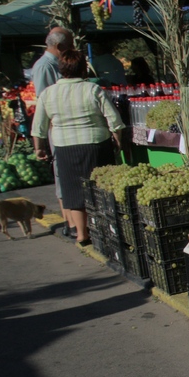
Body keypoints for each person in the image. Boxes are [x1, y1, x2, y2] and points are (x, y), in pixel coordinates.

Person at [31, 49, 124, 247]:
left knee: (73, 190)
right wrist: (117, 141)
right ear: (83, 69)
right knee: (101, 189)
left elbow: (38, 126)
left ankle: (82, 234)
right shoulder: (92, 89)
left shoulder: (48, 93)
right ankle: (106, 231)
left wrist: (39, 148)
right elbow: (113, 119)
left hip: (65, 147)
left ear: (61, 69)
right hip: (96, 146)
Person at [31, 27, 74, 236]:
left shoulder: (54, 64)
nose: (73, 48)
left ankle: (73, 221)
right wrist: (43, 140)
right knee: (62, 176)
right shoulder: (43, 66)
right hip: (57, 130)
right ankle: (68, 222)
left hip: (64, 128)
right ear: (58, 46)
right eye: (70, 44)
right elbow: (43, 102)